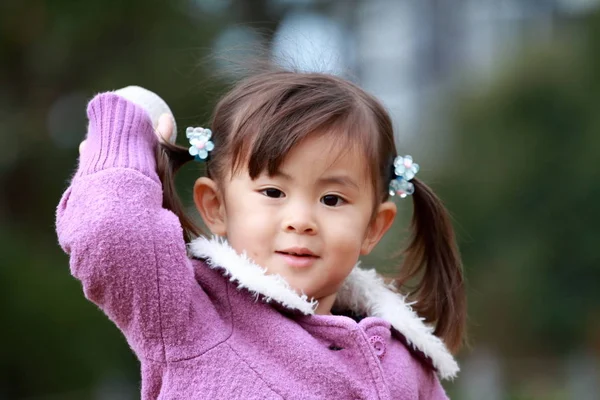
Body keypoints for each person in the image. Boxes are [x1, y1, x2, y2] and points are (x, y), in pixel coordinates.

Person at [56, 69, 466, 399]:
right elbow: (111, 231)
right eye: (273, 192)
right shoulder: (190, 312)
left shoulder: (404, 364)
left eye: (332, 199)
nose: (301, 220)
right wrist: (126, 125)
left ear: (373, 228)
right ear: (216, 207)